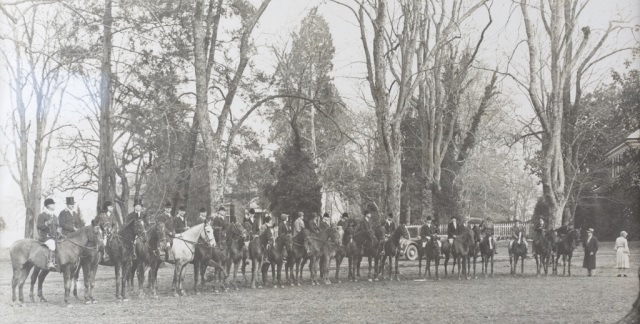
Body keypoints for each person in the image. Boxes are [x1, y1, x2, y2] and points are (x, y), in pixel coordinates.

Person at [37, 198, 60, 271]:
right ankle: (49, 262)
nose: (54, 205)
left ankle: (57, 262)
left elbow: (57, 225)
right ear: (48, 205)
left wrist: (59, 229)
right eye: (53, 204)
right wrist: (46, 224)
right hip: (44, 237)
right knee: (52, 244)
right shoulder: (42, 215)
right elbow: (38, 226)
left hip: (54, 237)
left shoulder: (55, 216)